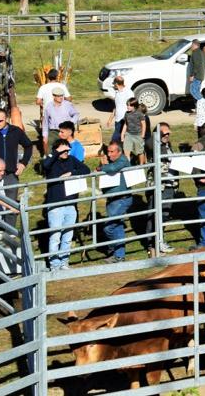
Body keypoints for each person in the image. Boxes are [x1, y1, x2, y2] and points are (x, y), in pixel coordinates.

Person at [42, 138, 90, 271]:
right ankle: (54, 264)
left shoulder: (72, 160)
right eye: (63, 150)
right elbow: (45, 165)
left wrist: (71, 173)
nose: (66, 153)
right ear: (56, 150)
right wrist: (57, 153)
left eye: (67, 150)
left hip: (70, 203)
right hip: (55, 204)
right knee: (55, 236)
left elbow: (86, 169)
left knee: (68, 236)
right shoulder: (51, 161)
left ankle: (64, 261)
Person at [145, 122, 176, 255]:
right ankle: (152, 243)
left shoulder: (168, 145)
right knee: (154, 215)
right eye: (164, 133)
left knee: (164, 214)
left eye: (169, 132)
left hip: (170, 184)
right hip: (158, 185)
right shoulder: (153, 144)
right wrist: (158, 135)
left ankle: (161, 240)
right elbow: (149, 143)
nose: (167, 135)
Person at [98, 141, 132, 262]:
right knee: (117, 226)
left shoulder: (122, 160)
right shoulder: (111, 161)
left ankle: (113, 247)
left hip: (121, 199)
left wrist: (101, 167)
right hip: (112, 199)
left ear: (120, 152)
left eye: (112, 152)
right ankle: (119, 255)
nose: (109, 154)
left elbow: (113, 168)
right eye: (108, 151)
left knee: (109, 228)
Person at [41, 88, 80, 161]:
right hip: (54, 131)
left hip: (65, 131)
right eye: (58, 96)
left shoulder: (67, 104)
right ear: (54, 96)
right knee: (50, 143)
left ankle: (68, 161)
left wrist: (70, 124)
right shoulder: (48, 106)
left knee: (67, 147)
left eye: (62, 95)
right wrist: (45, 135)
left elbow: (76, 114)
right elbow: (45, 122)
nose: (61, 97)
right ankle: (49, 161)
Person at [121, 99, 149, 165]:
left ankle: (141, 165)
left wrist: (142, 135)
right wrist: (122, 134)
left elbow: (143, 124)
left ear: (134, 106)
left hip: (138, 135)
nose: (128, 107)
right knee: (126, 151)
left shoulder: (139, 114)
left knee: (139, 152)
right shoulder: (126, 113)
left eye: (130, 105)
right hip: (128, 135)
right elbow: (125, 124)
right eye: (127, 105)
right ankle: (128, 166)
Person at [106, 76, 131, 144]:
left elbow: (133, 106)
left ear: (116, 84)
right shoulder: (117, 92)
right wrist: (110, 119)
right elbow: (116, 107)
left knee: (115, 139)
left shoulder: (128, 93)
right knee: (120, 139)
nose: (114, 86)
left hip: (124, 120)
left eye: (114, 84)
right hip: (117, 120)